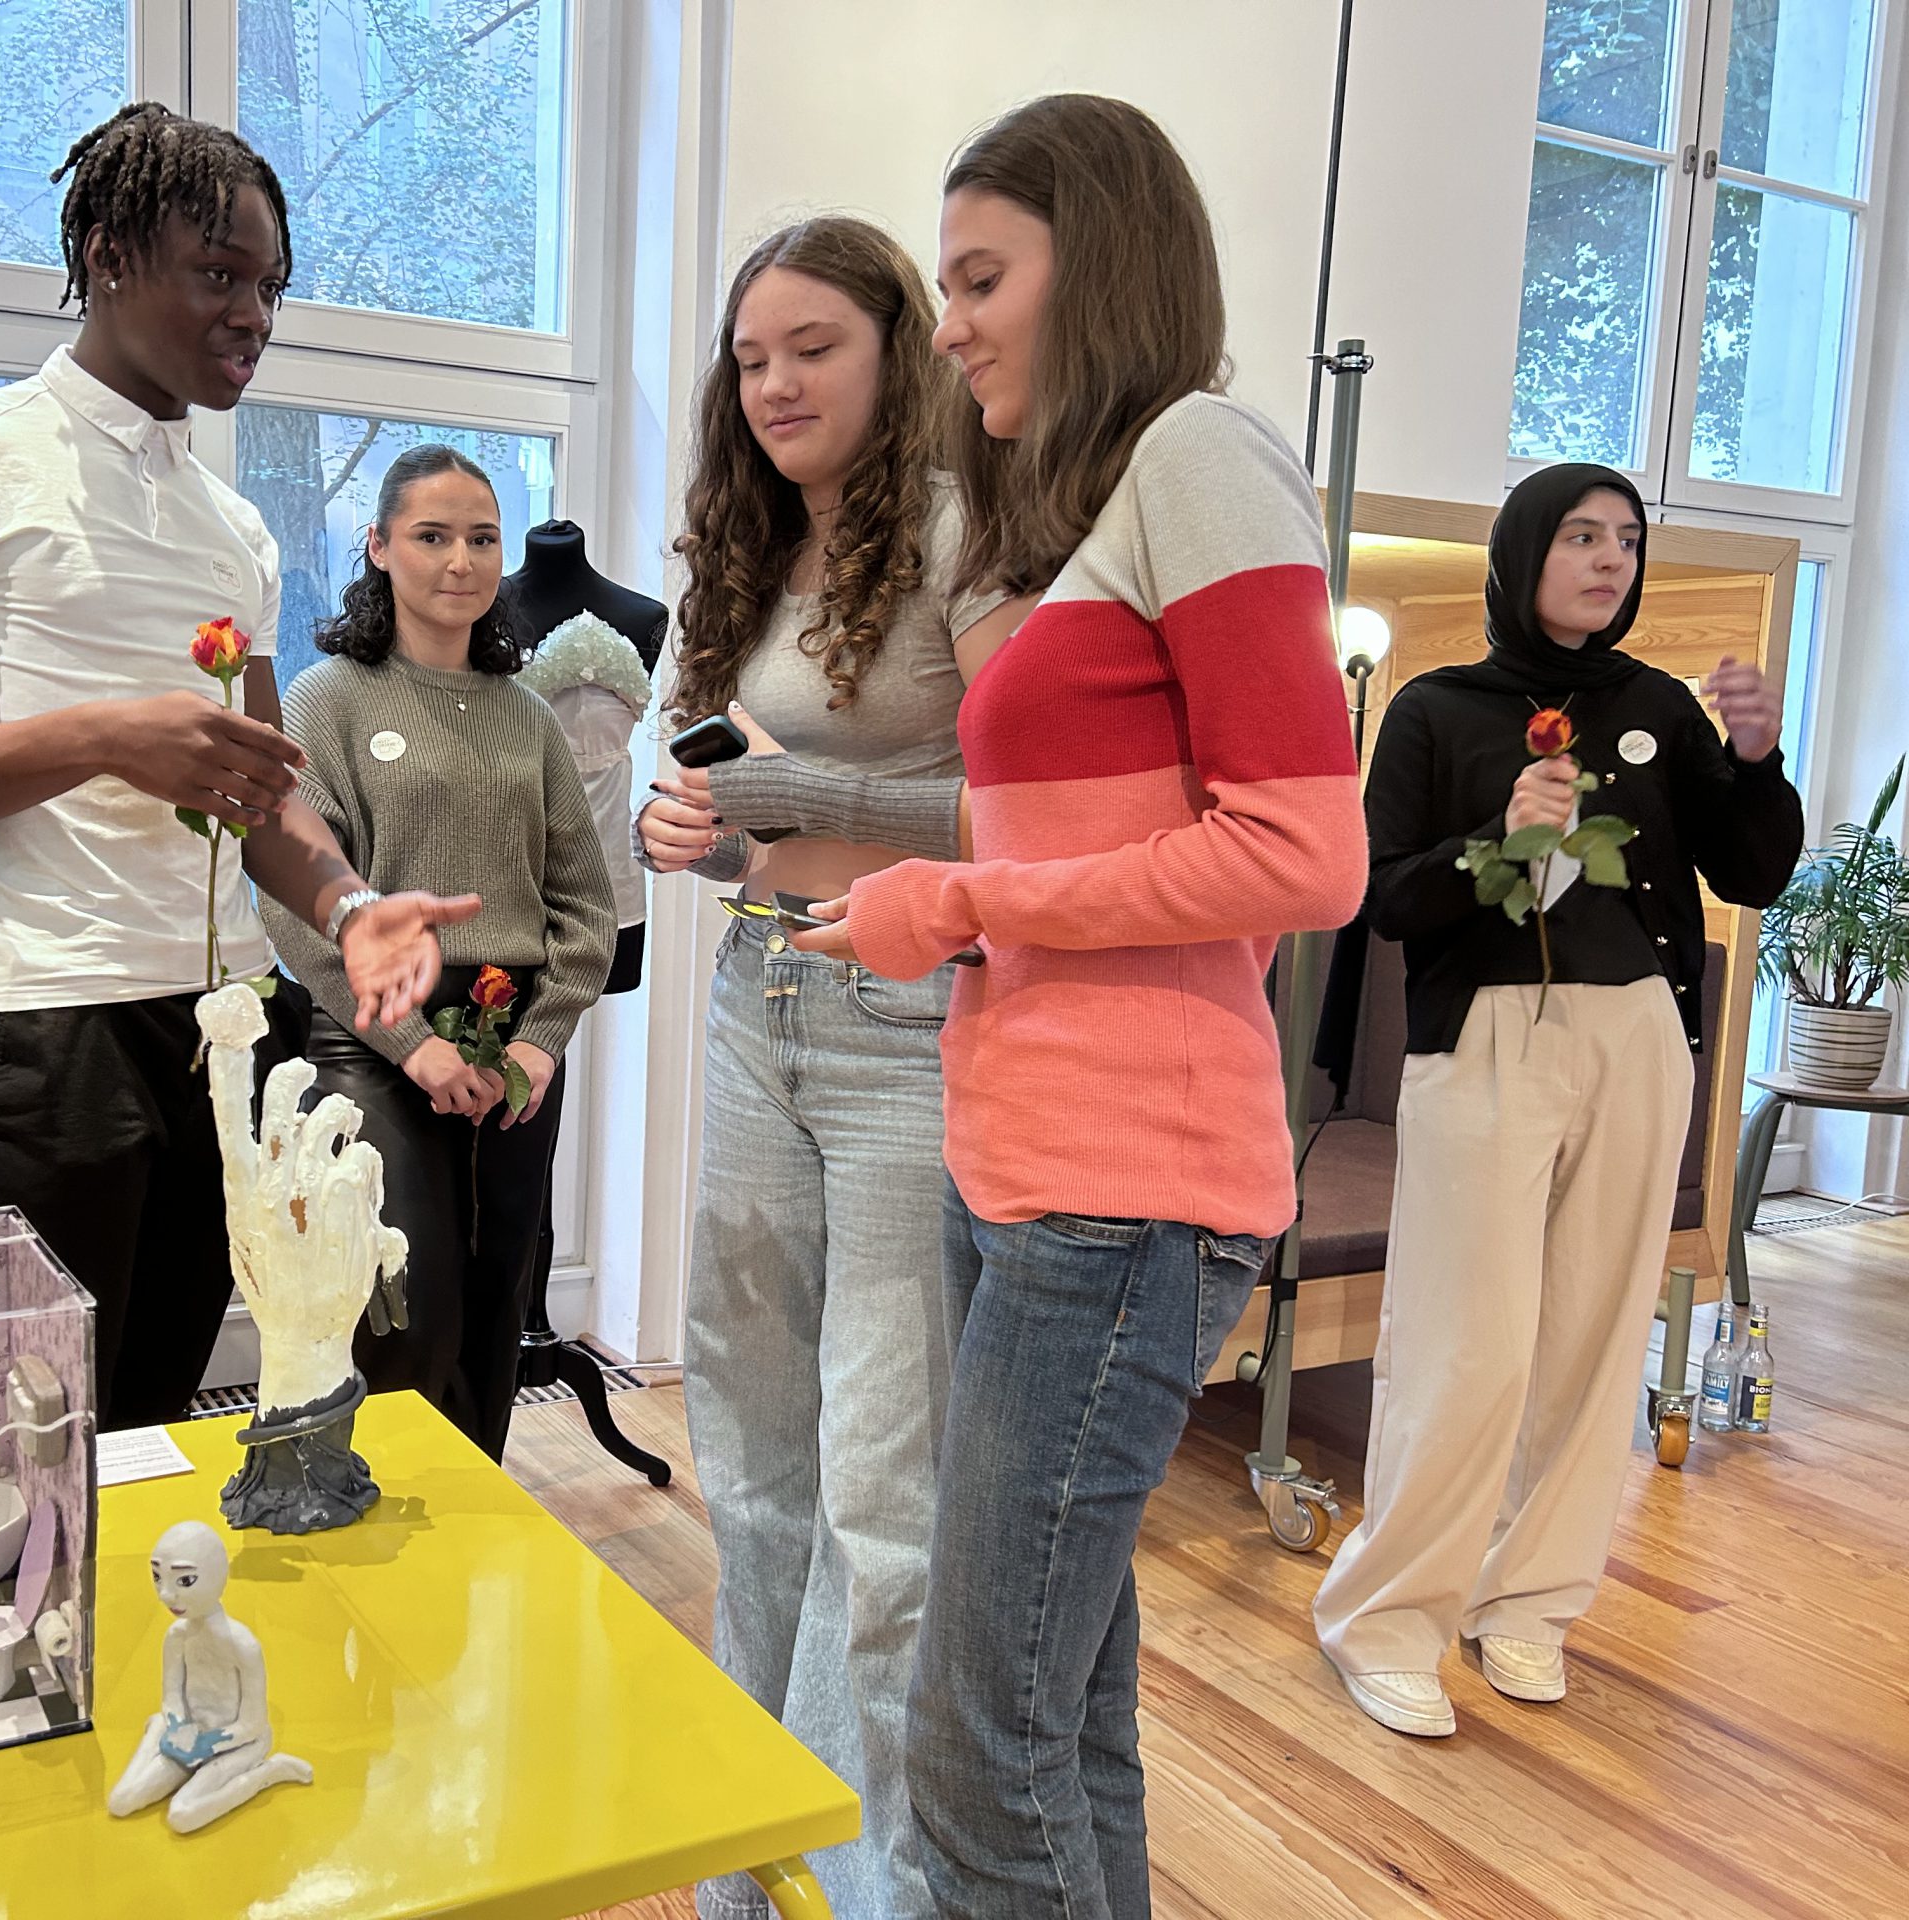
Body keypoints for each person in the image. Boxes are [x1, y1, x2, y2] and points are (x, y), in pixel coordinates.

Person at [796, 98, 1367, 1919]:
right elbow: (1084, 845)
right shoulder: (1091, 506)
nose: (947, 323)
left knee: (979, 1746)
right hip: (1029, 1164)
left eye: (981, 279)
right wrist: (927, 904)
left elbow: (1304, 853)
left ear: (1098, 265)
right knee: (1064, 1714)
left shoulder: (1204, 454)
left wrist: (966, 904)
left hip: (1129, 1188)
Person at [0, 105, 475, 1430]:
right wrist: (107, 738)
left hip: (223, 1020)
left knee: (163, 1409)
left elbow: (257, 791)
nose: (253, 315)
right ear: (108, 255)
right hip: (48, 1020)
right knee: (46, 1429)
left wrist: (348, 905)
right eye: (219, 274)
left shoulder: (233, 528)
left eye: (270, 287)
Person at [638, 214, 1019, 1920]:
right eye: (751, 358)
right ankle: (750, 1874)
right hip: (758, 1002)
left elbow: (1030, 815)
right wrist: (698, 832)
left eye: (815, 347)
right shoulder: (739, 552)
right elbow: (736, 819)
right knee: (754, 1475)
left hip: (908, 1029)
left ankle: (877, 1894)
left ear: (899, 348)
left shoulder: (964, 537)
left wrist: (805, 797)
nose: (776, 383)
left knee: (882, 1501)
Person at [1312, 464, 1801, 1737]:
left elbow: (1749, 875)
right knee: (1462, 1342)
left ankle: (1527, 1604)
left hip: (1638, 1035)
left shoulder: (1657, 708)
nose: (1608, 559)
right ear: (1523, 549)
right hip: (1484, 1039)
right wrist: (1504, 846)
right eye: (1581, 536)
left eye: (1625, 540)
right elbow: (1379, 899)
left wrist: (1756, 762)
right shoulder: (1434, 709)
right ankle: (1385, 1620)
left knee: (1594, 1335)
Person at [262, 444, 613, 1463]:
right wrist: (414, 1044)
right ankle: (383, 1529)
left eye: (481, 539)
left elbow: (584, 905)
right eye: (431, 536)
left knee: (498, 1298)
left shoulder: (529, 717)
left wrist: (538, 1044)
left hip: (515, 1040)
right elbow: (294, 904)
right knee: (399, 1308)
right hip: (371, 1042)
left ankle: (478, 1518)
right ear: (378, 548)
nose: (460, 561)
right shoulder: (326, 700)